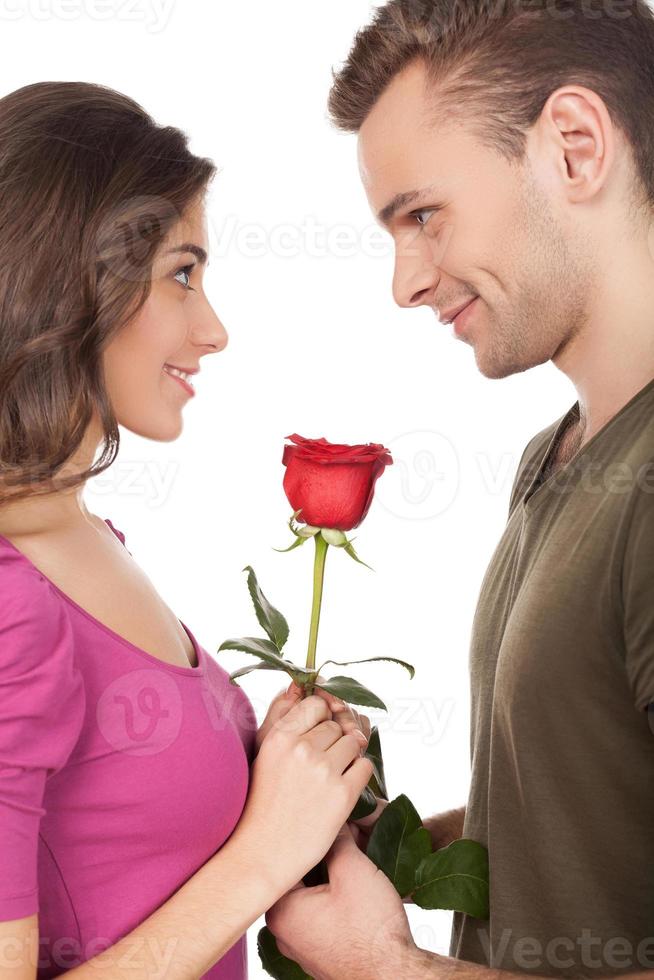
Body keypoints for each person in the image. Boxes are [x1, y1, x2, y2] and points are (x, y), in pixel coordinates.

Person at [265, 1, 654, 978]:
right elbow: (582, 801)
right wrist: (384, 844)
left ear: (574, 146)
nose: (405, 281)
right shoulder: (558, 454)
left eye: (423, 215)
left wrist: (390, 969)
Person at [0, 81, 377, 980]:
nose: (213, 329)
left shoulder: (88, 536)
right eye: (181, 273)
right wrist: (262, 857)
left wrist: (288, 777)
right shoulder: (11, 602)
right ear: (68, 285)